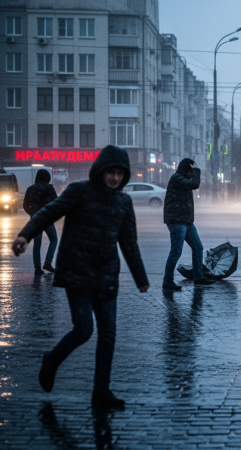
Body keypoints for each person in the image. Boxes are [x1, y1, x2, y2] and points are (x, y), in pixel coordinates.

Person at [11, 145, 150, 409]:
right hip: (77, 273)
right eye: (111, 172)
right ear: (101, 170)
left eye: (120, 173)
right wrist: (25, 235)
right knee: (84, 329)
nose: (115, 178)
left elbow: (128, 242)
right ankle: (51, 360)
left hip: (107, 276)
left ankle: (101, 392)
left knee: (108, 335)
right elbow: (47, 213)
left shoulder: (123, 201)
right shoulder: (79, 191)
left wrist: (140, 277)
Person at [163, 158, 214, 291]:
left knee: (198, 247)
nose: (193, 174)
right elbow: (194, 185)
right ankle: (167, 281)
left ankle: (199, 278)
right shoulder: (177, 178)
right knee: (176, 251)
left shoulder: (182, 179)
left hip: (186, 221)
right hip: (176, 221)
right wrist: (196, 170)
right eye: (192, 170)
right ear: (188, 169)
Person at [23, 169, 58, 275]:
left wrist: (32, 214)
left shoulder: (30, 189)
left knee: (37, 244)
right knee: (54, 239)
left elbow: (25, 205)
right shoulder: (49, 188)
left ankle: (37, 268)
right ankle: (48, 262)